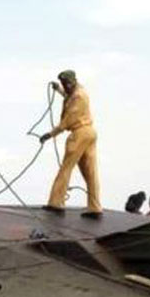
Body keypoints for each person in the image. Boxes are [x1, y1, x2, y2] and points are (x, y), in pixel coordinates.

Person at [40, 70, 102, 218]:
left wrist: (51, 134)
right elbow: (70, 96)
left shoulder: (78, 96)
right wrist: (59, 90)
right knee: (91, 173)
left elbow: (68, 120)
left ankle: (56, 203)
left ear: (71, 82)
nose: (66, 86)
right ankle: (95, 208)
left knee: (66, 167)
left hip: (79, 133)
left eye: (66, 84)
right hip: (90, 132)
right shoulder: (79, 91)